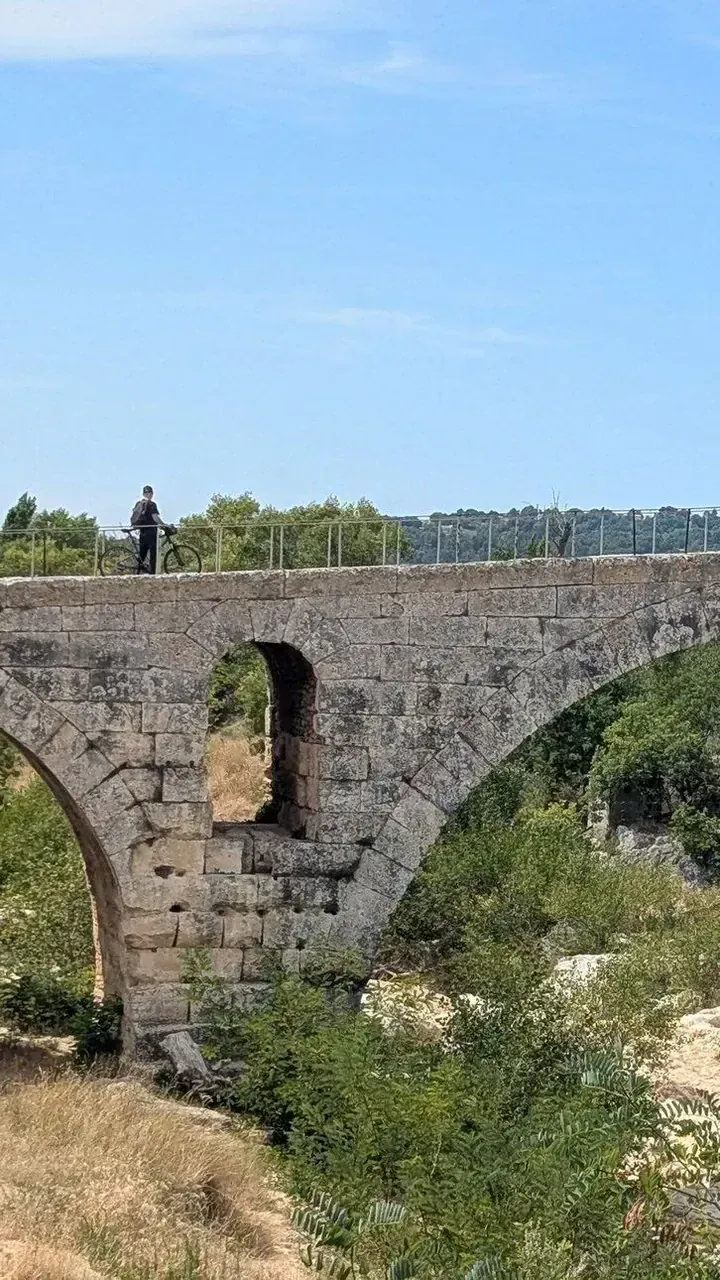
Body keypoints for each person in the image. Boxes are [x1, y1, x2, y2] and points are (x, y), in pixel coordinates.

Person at [130, 485, 169, 574]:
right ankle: (152, 574)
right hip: (151, 531)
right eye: (149, 493)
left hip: (142, 531)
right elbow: (155, 518)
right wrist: (164, 525)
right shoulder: (152, 504)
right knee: (153, 554)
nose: (149, 494)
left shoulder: (139, 504)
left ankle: (136, 574)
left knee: (142, 554)